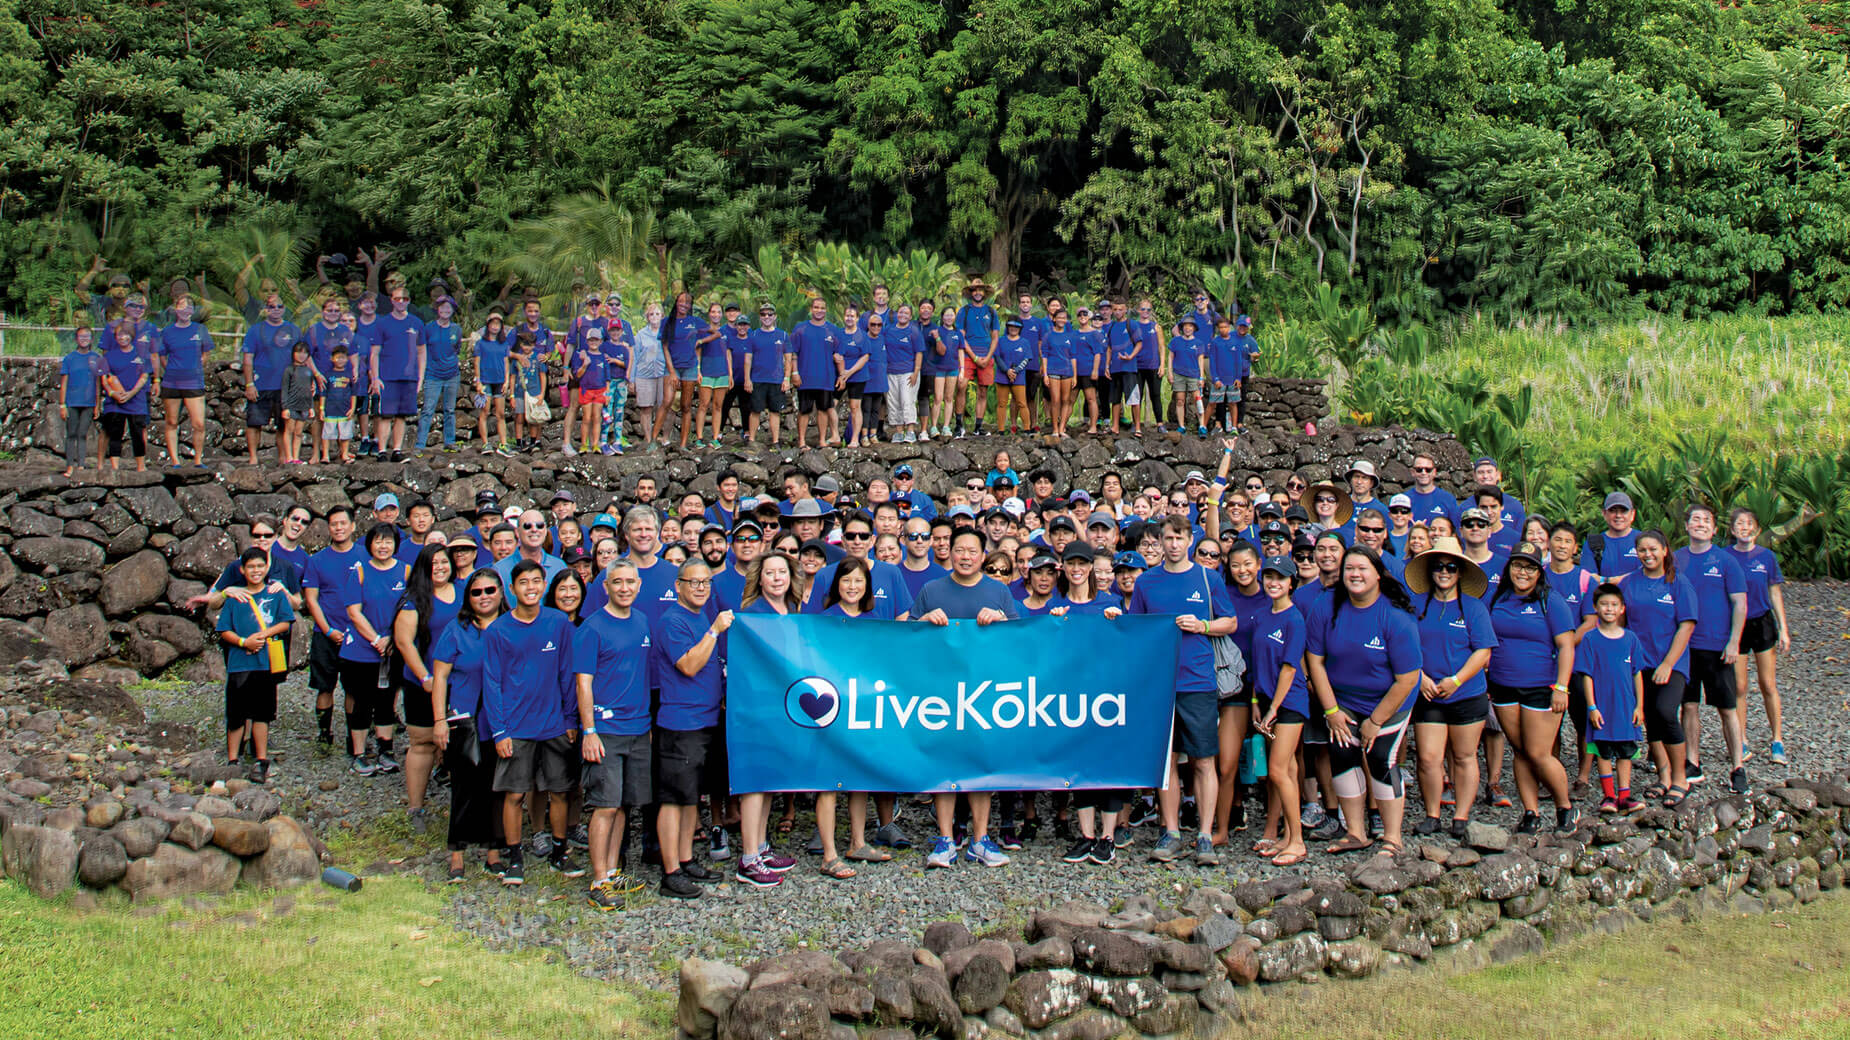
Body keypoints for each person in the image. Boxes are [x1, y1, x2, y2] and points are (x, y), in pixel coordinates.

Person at [1128, 515, 1236, 866]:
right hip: (1160, 684)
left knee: (1204, 760)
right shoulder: (1146, 582)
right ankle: (1171, 831)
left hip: (1198, 681)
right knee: (1167, 761)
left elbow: (1229, 621)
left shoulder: (1208, 578)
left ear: (1190, 540)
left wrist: (1202, 625)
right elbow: (1137, 629)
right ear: (1159, 542)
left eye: (1179, 537)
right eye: (1168, 538)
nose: (1173, 544)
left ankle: (1204, 834)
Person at [912, 528, 1020, 868]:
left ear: (982, 554)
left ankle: (980, 839)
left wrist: (1001, 621)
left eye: (973, 551)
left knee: (980, 766)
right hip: (941, 693)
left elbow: (1020, 639)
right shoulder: (931, 589)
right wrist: (925, 620)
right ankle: (945, 840)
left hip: (984, 692)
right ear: (949, 551)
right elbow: (907, 636)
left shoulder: (998, 591)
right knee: (944, 765)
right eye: (959, 550)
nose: (966, 556)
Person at [1303, 546, 1422, 854]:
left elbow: (1408, 678)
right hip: (1342, 699)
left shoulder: (1395, 618)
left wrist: (1376, 721)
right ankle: (1356, 832)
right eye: (1349, 569)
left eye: (1362, 569)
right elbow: (1314, 660)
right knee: (1343, 755)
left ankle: (1392, 837)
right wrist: (1330, 711)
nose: (1355, 575)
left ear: (1379, 575)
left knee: (1381, 757)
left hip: (1389, 701)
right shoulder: (1325, 606)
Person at [482, 559, 583, 886]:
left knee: (560, 791)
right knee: (514, 794)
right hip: (516, 726)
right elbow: (492, 681)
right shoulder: (498, 630)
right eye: (523, 582)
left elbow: (568, 674)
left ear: (544, 585)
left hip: (555, 723)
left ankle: (559, 850)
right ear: (511, 590)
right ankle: (514, 856)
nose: (531, 588)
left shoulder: (558, 623)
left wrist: (571, 717)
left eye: (536, 581)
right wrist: (500, 729)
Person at [574, 560, 655, 908]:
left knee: (623, 806)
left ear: (639, 586)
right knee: (604, 807)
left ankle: (612, 871)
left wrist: (648, 724)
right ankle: (597, 881)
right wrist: (589, 730)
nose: (624, 588)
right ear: (605, 587)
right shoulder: (591, 628)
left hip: (638, 728)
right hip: (606, 730)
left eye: (630, 582)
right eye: (616, 582)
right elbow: (583, 682)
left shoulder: (642, 622)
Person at [650, 561, 733, 899]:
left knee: (690, 798)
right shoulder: (673, 620)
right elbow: (688, 664)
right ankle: (670, 872)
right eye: (693, 582)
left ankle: (685, 859)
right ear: (679, 585)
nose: (701, 587)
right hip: (680, 723)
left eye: (706, 582)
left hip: (706, 719)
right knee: (673, 799)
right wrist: (714, 631)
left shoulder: (700, 615)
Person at [1485, 541, 1580, 835]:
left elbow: (1566, 646)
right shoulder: (1497, 599)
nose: (1522, 572)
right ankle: (1531, 812)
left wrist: (1561, 687)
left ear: (1539, 572)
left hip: (1541, 686)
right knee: (1520, 751)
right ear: (1509, 567)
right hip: (1502, 685)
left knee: (1539, 752)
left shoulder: (1551, 601)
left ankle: (1565, 806)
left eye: (1529, 567)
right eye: (1517, 565)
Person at [1404, 537, 1496, 839]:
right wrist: (1420, 677)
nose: (1444, 572)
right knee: (1429, 757)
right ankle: (1432, 813)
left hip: (1466, 692)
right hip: (1428, 690)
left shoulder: (1473, 607)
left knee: (1464, 755)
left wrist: (1456, 680)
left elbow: (1483, 650)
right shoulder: (1415, 604)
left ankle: (1461, 814)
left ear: (1460, 572)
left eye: (1451, 567)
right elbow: (1402, 645)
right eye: (1439, 567)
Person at [431, 566, 510, 882]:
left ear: (501, 592)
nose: (484, 596)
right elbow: (440, 677)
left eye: (490, 590)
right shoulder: (457, 629)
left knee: (496, 788)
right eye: (476, 592)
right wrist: (438, 720)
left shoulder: (511, 626)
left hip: (501, 721)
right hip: (464, 719)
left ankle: (494, 852)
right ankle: (457, 855)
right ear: (468, 597)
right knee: (463, 788)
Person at [1674, 504, 1749, 794]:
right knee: (1688, 705)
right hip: (1685, 646)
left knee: (1726, 708)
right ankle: (1692, 761)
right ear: (1687, 526)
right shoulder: (1676, 559)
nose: (1701, 524)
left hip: (1718, 646)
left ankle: (1738, 766)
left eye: (1706, 520)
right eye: (1695, 519)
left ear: (1715, 529)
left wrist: (1734, 641)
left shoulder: (1727, 561)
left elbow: (1739, 603)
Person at [213, 547, 293, 784]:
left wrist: (261, 635)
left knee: (262, 713)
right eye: (251, 567)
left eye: (260, 566)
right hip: (240, 662)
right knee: (236, 712)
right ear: (242, 570)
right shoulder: (236, 598)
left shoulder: (275, 594)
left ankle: (261, 759)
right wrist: (243, 641)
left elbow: (286, 622)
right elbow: (223, 629)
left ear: (266, 568)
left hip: (265, 662)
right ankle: (232, 760)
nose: (256, 571)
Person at [395, 545, 461, 833]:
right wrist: (424, 678)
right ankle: (416, 807)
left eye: (444, 562)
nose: (440, 567)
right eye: (433, 563)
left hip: (460, 682)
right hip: (423, 682)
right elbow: (404, 642)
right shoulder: (413, 599)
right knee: (422, 743)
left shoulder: (464, 592)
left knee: (461, 745)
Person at [1249, 555, 1309, 866]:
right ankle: (1286, 836)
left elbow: (1289, 668)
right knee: (1286, 771)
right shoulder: (1261, 616)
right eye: (1269, 576)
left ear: (1291, 583)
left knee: (1277, 769)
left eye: (1281, 578)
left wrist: (1273, 708)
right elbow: (1258, 663)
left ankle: (1297, 840)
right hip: (1267, 700)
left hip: (1290, 704)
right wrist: (1257, 701)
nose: (1274, 583)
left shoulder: (1294, 619)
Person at [338, 523, 410, 776]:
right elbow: (354, 612)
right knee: (361, 702)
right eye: (378, 541)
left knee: (386, 701)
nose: (383, 546)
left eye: (388, 541)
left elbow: (409, 609)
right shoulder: (359, 572)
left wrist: (392, 639)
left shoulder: (405, 572)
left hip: (393, 647)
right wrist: (377, 639)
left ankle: (385, 750)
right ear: (369, 544)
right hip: (360, 649)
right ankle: (359, 754)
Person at [1576, 583, 1649, 814]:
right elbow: (1586, 675)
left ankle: (1624, 795)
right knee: (1603, 749)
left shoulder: (1631, 639)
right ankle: (1608, 796)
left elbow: (1637, 673)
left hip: (1626, 706)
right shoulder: (1590, 639)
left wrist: (1639, 706)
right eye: (1604, 604)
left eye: (1614, 605)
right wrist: (1592, 706)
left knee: (1626, 750)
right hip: (1602, 706)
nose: (1609, 609)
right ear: (1596, 607)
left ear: (1622, 609)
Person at [1729, 507, 1790, 766]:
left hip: (1763, 622)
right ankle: (1741, 740)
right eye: (1739, 524)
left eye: (1749, 523)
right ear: (1732, 530)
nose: (1744, 527)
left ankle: (1777, 740)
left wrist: (1783, 628)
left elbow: (1775, 592)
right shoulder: (1724, 557)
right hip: (1735, 625)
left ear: (1757, 529)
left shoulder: (1767, 557)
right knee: (1740, 687)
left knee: (1768, 684)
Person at [239, 295, 299, 464]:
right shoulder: (255, 330)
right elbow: (248, 359)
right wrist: (249, 384)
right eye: (272, 307)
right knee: (254, 423)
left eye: (280, 306)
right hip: (261, 383)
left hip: (285, 385)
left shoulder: (293, 330)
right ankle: (253, 457)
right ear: (266, 309)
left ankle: (282, 457)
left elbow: (301, 357)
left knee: (283, 424)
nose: (276, 310)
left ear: (284, 308)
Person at [154, 294, 212, 467]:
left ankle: (198, 459)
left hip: (194, 382)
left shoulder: (200, 330)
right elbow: (162, 356)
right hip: (172, 382)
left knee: (199, 423)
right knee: (172, 421)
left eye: (189, 307)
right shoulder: (167, 332)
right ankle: (174, 460)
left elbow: (206, 353)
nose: (185, 310)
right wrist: (172, 368)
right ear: (175, 309)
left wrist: (195, 366)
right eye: (181, 306)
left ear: (192, 311)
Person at [369, 285, 425, 461]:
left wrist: (420, 378)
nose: (401, 302)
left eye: (404, 299)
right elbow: (374, 353)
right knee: (386, 415)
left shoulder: (416, 323)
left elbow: (422, 351)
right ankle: (381, 451)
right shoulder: (382, 323)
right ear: (391, 300)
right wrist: (376, 377)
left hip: (409, 376)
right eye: (397, 299)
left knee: (402, 415)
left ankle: (397, 450)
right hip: (388, 376)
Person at [98, 321, 152, 471]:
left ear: (132, 336)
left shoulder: (142, 354)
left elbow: (144, 377)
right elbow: (105, 378)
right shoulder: (108, 356)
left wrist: (131, 393)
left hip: (136, 401)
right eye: (119, 335)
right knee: (115, 433)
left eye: (126, 334)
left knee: (137, 433)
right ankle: (115, 467)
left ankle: (141, 467)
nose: (123, 338)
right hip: (115, 402)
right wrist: (113, 393)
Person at [413, 295, 463, 454]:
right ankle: (420, 444)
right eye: (442, 307)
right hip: (433, 374)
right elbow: (421, 349)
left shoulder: (456, 329)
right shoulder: (428, 328)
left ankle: (450, 441)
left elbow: (457, 349)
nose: (445, 310)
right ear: (437, 309)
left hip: (452, 374)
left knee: (450, 409)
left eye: (449, 307)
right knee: (428, 409)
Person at [58, 325, 105, 478]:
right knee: (71, 433)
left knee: (82, 434)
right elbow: (64, 382)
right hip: (72, 402)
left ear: (91, 339)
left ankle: (81, 465)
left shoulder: (96, 358)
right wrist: (62, 404)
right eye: (81, 336)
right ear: (76, 339)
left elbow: (98, 383)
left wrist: (97, 404)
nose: (84, 339)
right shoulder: (69, 358)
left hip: (88, 402)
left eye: (87, 336)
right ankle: (69, 465)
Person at [472, 309, 514, 455]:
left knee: (501, 414)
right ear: (488, 325)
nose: (495, 327)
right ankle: (485, 443)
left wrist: (506, 381)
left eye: (498, 324)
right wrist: (478, 382)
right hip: (485, 381)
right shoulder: (481, 343)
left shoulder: (503, 344)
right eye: (493, 323)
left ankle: (503, 444)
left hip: (499, 381)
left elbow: (506, 362)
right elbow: (476, 363)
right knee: (485, 412)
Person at [278, 341, 316, 464]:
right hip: (291, 405)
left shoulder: (308, 371)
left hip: (304, 406)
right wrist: (285, 407)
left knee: (298, 432)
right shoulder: (289, 370)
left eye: (305, 353)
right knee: (289, 430)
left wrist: (310, 407)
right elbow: (284, 389)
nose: (302, 355)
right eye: (299, 352)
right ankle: (288, 457)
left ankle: (296, 457)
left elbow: (310, 390)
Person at [1588, 491, 1641, 577]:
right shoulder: (1593, 543)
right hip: (1605, 590)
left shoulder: (1644, 540)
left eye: (1623, 511)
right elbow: (1588, 578)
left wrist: (1610, 580)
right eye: (1613, 511)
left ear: (1632, 514)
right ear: (1604, 514)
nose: (1618, 515)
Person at [321, 342, 358, 462]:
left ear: (347, 359)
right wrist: (322, 409)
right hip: (330, 409)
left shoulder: (349, 375)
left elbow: (353, 393)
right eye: (337, 357)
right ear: (332, 358)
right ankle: (325, 455)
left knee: (345, 434)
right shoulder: (328, 375)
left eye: (343, 357)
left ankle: (345, 454)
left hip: (345, 409)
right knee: (327, 433)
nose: (340, 360)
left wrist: (352, 408)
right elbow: (323, 393)